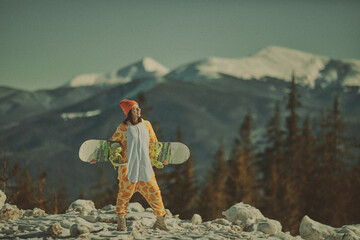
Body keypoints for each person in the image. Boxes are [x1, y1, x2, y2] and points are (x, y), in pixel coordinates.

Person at [109, 99, 168, 232]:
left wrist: (159, 158)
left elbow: (154, 143)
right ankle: (121, 223)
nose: (139, 110)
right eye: (135, 109)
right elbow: (113, 145)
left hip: (146, 168)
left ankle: (160, 221)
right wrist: (110, 155)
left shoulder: (147, 125)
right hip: (128, 170)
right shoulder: (122, 128)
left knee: (155, 193)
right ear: (129, 112)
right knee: (123, 197)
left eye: (138, 108)